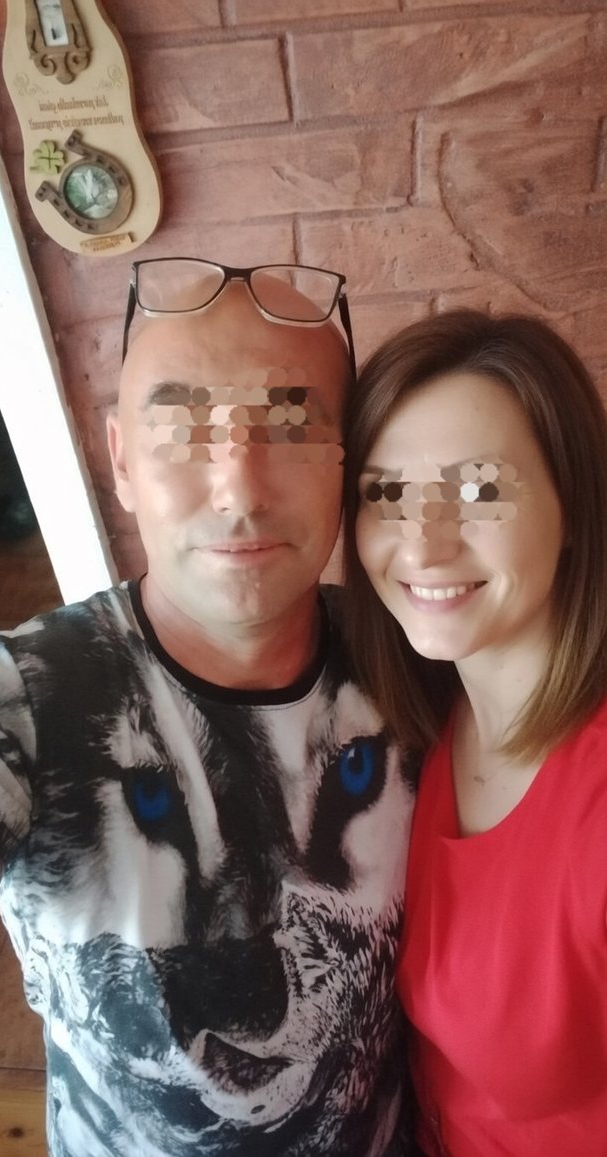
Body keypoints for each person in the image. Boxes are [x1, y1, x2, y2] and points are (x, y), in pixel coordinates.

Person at [0, 258, 416, 1157]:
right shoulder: (23, 695)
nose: (238, 489)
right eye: (180, 426)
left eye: (290, 424)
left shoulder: (413, 660)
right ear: (121, 460)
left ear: (347, 464)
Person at [342, 308, 607, 1156]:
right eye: (386, 492)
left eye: (480, 489)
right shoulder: (430, 726)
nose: (424, 544)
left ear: (576, 504)